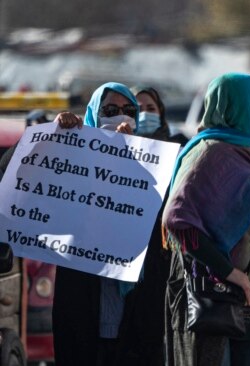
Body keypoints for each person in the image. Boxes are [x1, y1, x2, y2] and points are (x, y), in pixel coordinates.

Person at [162, 73, 250, 366]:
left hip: (249, 302)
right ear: (240, 107)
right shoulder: (211, 154)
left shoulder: (238, 152)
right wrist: (228, 271)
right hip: (218, 300)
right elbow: (177, 220)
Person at [52, 82, 141, 366]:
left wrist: (131, 157)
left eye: (129, 110)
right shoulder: (71, 155)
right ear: (94, 113)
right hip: (84, 295)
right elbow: (15, 176)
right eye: (111, 110)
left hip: (134, 308)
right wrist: (54, 135)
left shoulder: (154, 161)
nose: (121, 116)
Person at [113, 86, 174, 365]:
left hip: (161, 261)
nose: (146, 115)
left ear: (161, 113)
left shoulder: (178, 149)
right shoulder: (114, 147)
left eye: (151, 108)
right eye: (140, 110)